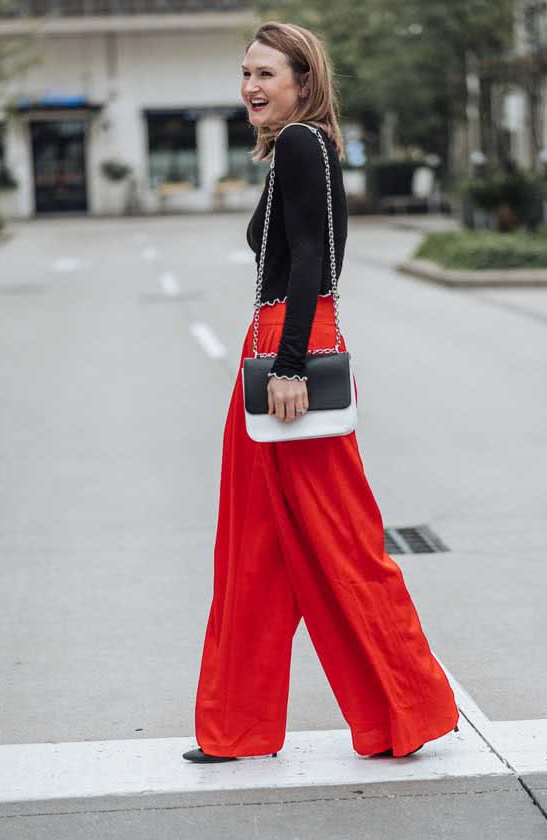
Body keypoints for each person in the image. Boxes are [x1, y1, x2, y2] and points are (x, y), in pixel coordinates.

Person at [183, 21, 460, 764]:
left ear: (303, 82)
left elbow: (312, 261)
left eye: (266, 74)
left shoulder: (304, 145)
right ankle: (236, 725)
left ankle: (411, 706)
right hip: (279, 341)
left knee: (342, 541)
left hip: (287, 345)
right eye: (245, 73)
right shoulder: (301, 152)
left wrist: (292, 365)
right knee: (258, 548)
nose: (250, 86)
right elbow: (295, 244)